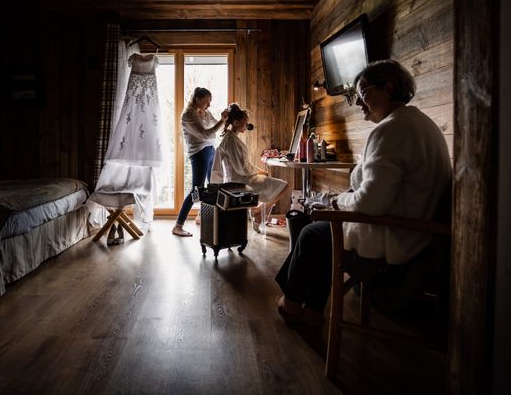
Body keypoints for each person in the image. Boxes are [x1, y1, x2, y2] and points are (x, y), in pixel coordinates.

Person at [275, 60, 452, 327]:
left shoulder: (391, 130)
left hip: (393, 240)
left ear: (388, 87)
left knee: (313, 233)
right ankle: (310, 309)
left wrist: (336, 200)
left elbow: (370, 203)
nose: (358, 102)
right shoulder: (419, 123)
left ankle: (291, 303)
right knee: (324, 228)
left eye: (363, 92)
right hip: (415, 233)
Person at [211, 103, 291, 233]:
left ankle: (257, 211)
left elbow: (242, 165)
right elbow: (241, 168)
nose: (247, 125)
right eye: (245, 122)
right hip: (241, 182)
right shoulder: (230, 140)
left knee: (267, 178)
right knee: (285, 186)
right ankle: (258, 211)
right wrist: (259, 170)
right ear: (236, 122)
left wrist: (258, 171)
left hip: (241, 178)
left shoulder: (232, 138)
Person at [172, 87, 229, 237]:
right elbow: (205, 134)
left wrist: (226, 120)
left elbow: (217, 125)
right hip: (199, 153)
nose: (209, 105)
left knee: (213, 186)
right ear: (197, 99)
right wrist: (222, 122)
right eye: (207, 102)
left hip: (210, 150)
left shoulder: (205, 112)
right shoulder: (188, 115)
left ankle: (201, 216)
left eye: (210, 102)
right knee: (196, 190)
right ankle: (178, 226)